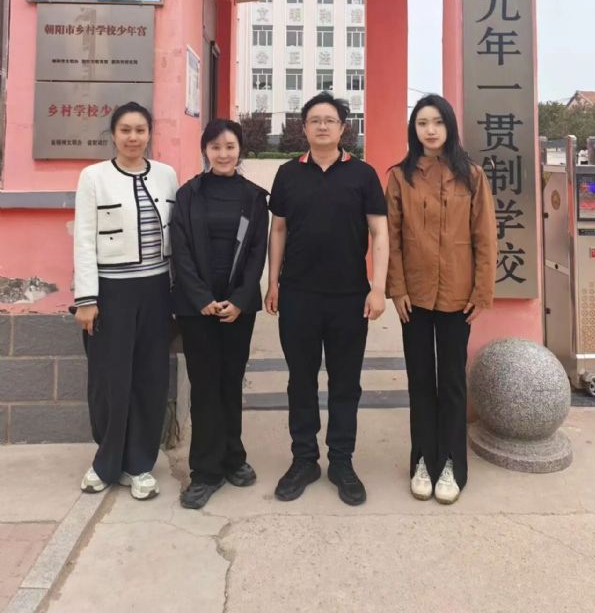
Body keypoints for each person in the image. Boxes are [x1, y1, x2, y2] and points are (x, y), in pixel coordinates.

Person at [266, 92, 389, 506]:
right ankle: (304, 459)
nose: (322, 126)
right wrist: (273, 282)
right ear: (303, 128)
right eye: (314, 120)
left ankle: (341, 461)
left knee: (345, 382)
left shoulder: (363, 174)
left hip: (349, 297)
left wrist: (378, 287)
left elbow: (380, 232)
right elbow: (278, 229)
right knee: (300, 380)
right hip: (298, 294)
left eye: (329, 120)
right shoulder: (288, 174)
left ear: (342, 128)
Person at [386, 94, 497, 504]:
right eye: (422, 123)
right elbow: (391, 238)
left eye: (437, 122)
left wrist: (481, 291)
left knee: (451, 381)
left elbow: (485, 236)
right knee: (419, 380)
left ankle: (451, 463)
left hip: (457, 295)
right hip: (413, 297)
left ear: (449, 127)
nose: (430, 130)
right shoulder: (400, 177)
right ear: (413, 130)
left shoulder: (472, 176)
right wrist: (396, 288)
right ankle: (422, 460)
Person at [73, 101, 178, 500]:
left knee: (150, 378)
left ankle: (139, 464)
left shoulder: (167, 175)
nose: (133, 137)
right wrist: (87, 299)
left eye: (140, 130)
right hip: (111, 292)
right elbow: (84, 240)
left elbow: (176, 237)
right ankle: (106, 461)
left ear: (150, 134)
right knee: (110, 379)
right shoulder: (94, 177)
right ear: (114, 134)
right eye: (125, 130)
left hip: (156, 291)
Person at [171, 119, 268, 510]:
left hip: (238, 309)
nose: (223, 154)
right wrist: (200, 298)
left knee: (230, 381)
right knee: (205, 386)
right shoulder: (188, 195)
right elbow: (180, 251)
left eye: (230, 146)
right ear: (205, 150)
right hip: (197, 308)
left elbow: (257, 252)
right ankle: (205, 472)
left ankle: (233, 457)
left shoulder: (253, 198)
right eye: (216, 147)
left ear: (240, 149)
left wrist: (240, 300)